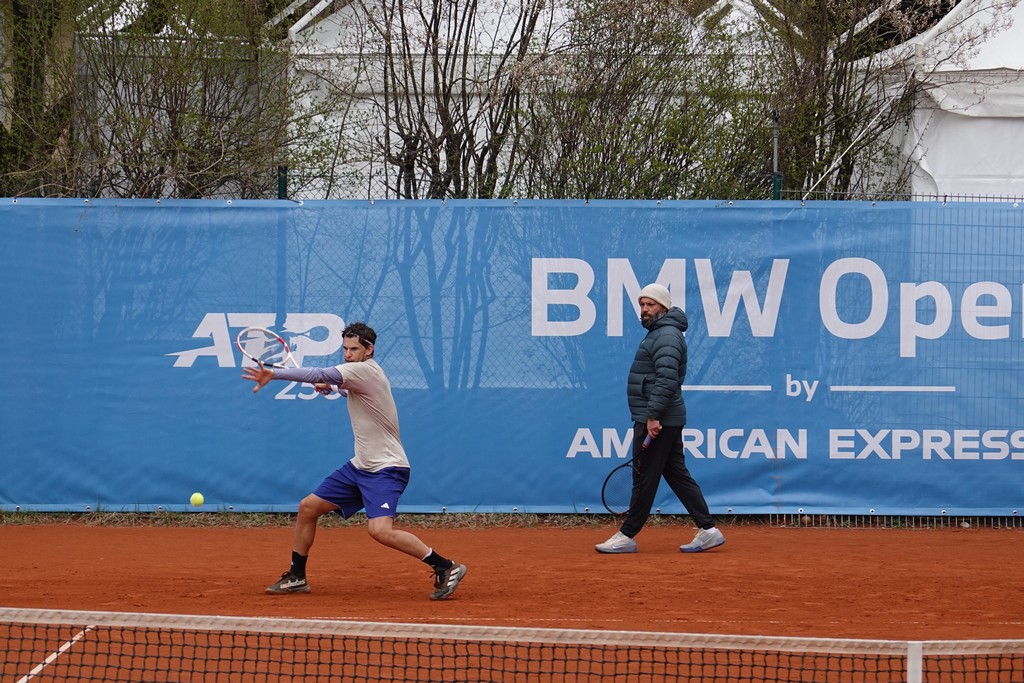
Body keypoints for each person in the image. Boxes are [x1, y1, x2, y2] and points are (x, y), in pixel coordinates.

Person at [242, 321, 467, 600]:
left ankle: (446, 566)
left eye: (354, 349)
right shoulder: (359, 375)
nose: (348, 354)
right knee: (308, 508)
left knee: (380, 531)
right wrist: (331, 387)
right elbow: (346, 387)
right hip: (360, 466)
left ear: (369, 350)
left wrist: (274, 374)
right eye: (345, 349)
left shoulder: (364, 370)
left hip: (387, 468)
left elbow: (320, 372)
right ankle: (297, 576)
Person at [596, 283, 725, 555]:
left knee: (643, 476)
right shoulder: (659, 334)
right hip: (663, 416)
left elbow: (667, 380)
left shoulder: (665, 335)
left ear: (663, 307)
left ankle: (627, 534)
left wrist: (653, 416)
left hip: (657, 419)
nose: (644, 309)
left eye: (650, 304)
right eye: (642, 304)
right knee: (676, 474)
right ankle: (708, 530)